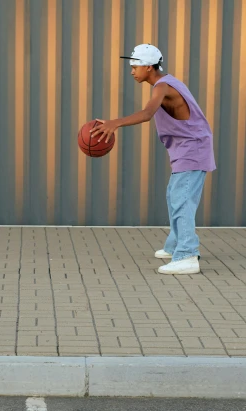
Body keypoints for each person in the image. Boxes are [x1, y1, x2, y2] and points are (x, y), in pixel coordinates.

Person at [91, 44, 216, 275]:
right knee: (174, 197)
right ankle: (175, 246)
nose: (132, 71)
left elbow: (147, 114)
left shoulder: (163, 86)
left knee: (182, 201)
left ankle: (187, 255)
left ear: (148, 67)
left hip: (193, 149)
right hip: (186, 149)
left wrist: (114, 123)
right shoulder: (166, 82)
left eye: (135, 66)